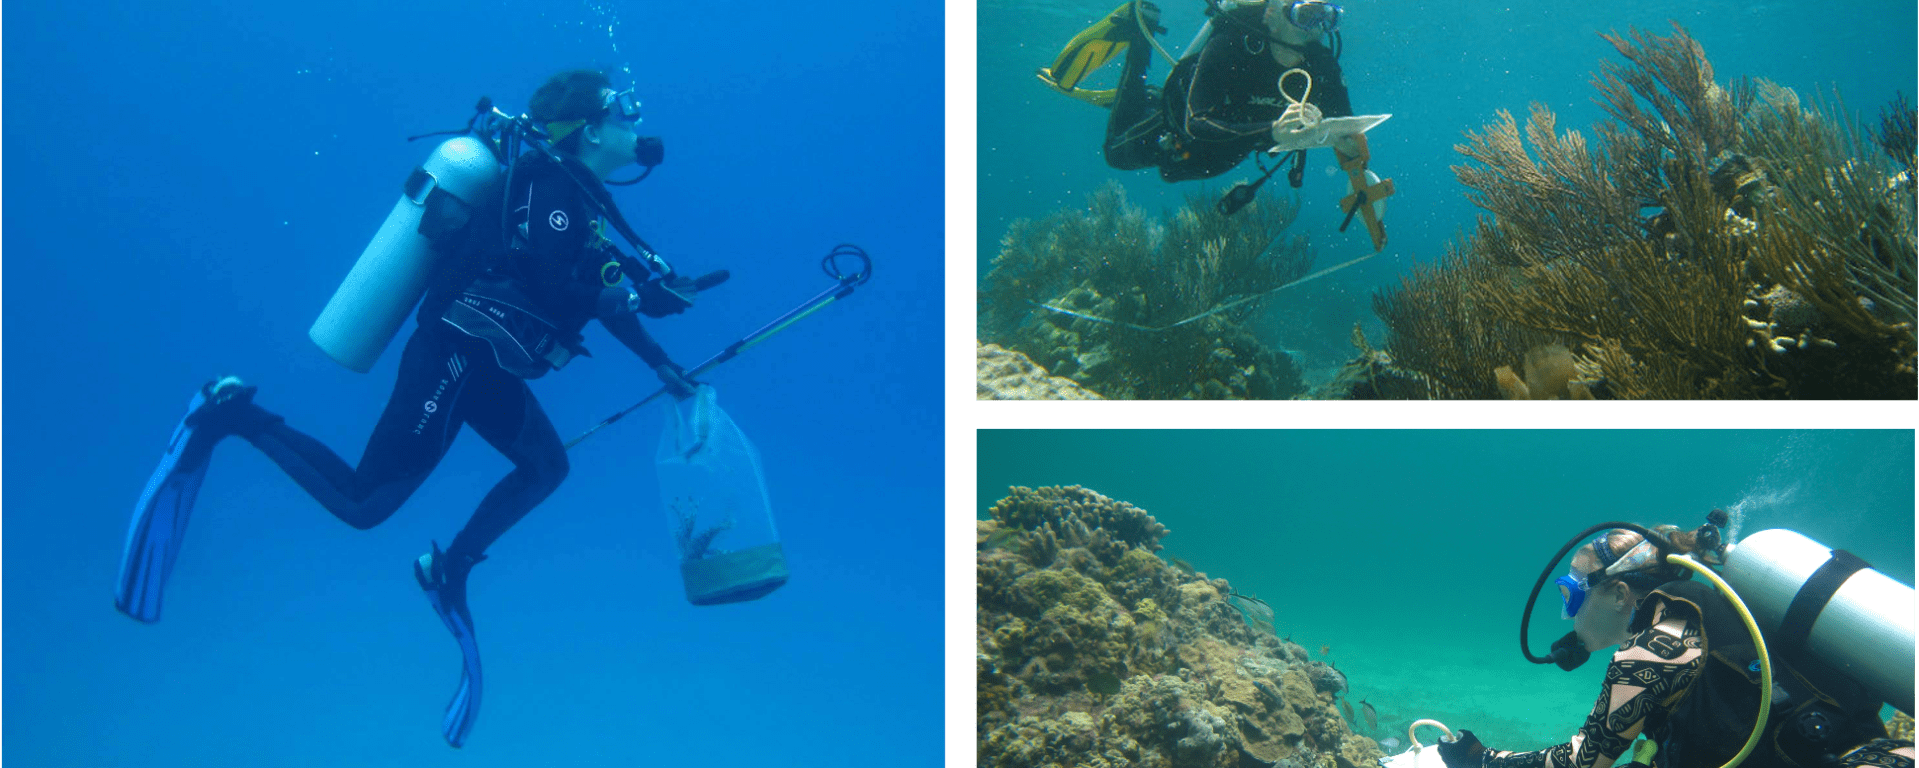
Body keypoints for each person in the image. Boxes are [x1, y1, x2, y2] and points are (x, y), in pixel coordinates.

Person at [114, 69, 723, 748]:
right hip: (456, 354)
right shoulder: (550, 186)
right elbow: (552, 281)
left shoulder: (577, 193)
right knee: (365, 503)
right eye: (623, 110)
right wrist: (631, 299)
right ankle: (229, 414)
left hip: (487, 365)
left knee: (546, 468)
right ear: (590, 127)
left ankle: (449, 569)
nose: (635, 123)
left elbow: (587, 284)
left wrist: (660, 363)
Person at [1436, 528, 1915, 768]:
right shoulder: (1703, 614)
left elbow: (1582, 760)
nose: (1569, 615)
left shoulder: (1661, 636)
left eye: (1572, 595)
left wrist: (1480, 758)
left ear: (1619, 593)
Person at [1041, 0, 1357, 183]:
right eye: (1304, 15)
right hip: (1178, 124)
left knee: (1180, 172)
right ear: (1271, 15)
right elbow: (1198, 122)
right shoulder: (1233, 44)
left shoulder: (1323, 64)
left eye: (1326, 17)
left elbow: (1346, 127)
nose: (1315, 28)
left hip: (1225, 153)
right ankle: (1140, 36)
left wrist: (1360, 179)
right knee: (1115, 155)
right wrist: (1272, 130)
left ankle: (1145, 98)